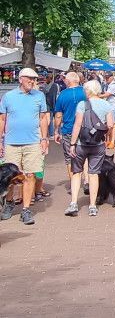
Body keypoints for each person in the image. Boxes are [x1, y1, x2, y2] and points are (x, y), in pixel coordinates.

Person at [0, 68, 49, 225]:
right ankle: (9, 203)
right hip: (11, 142)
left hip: (33, 142)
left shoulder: (39, 96)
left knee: (30, 175)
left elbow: (42, 119)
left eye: (34, 79)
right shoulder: (8, 96)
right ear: (20, 79)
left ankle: (26, 210)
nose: (33, 81)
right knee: (10, 178)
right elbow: (2, 119)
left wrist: (44, 139)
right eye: (30, 78)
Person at [64, 80, 114, 217]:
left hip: (81, 143)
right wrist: (107, 138)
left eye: (85, 90)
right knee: (93, 174)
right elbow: (110, 125)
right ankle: (92, 206)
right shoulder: (106, 104)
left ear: (88, 91)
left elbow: (77, 125)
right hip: (98, 144)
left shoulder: (82, 104)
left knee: (76, 173)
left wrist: (72, 144)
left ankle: (73, 203)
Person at [54, 71, 87, 183]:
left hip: (69, 129)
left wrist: (56, 131)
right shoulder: (85, 92)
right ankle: (87, 180)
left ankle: (74, 184)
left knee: (69, 157)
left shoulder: (62, 95)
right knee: (86, 155)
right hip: (85, 129)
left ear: (68, 81)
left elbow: (58, 115)